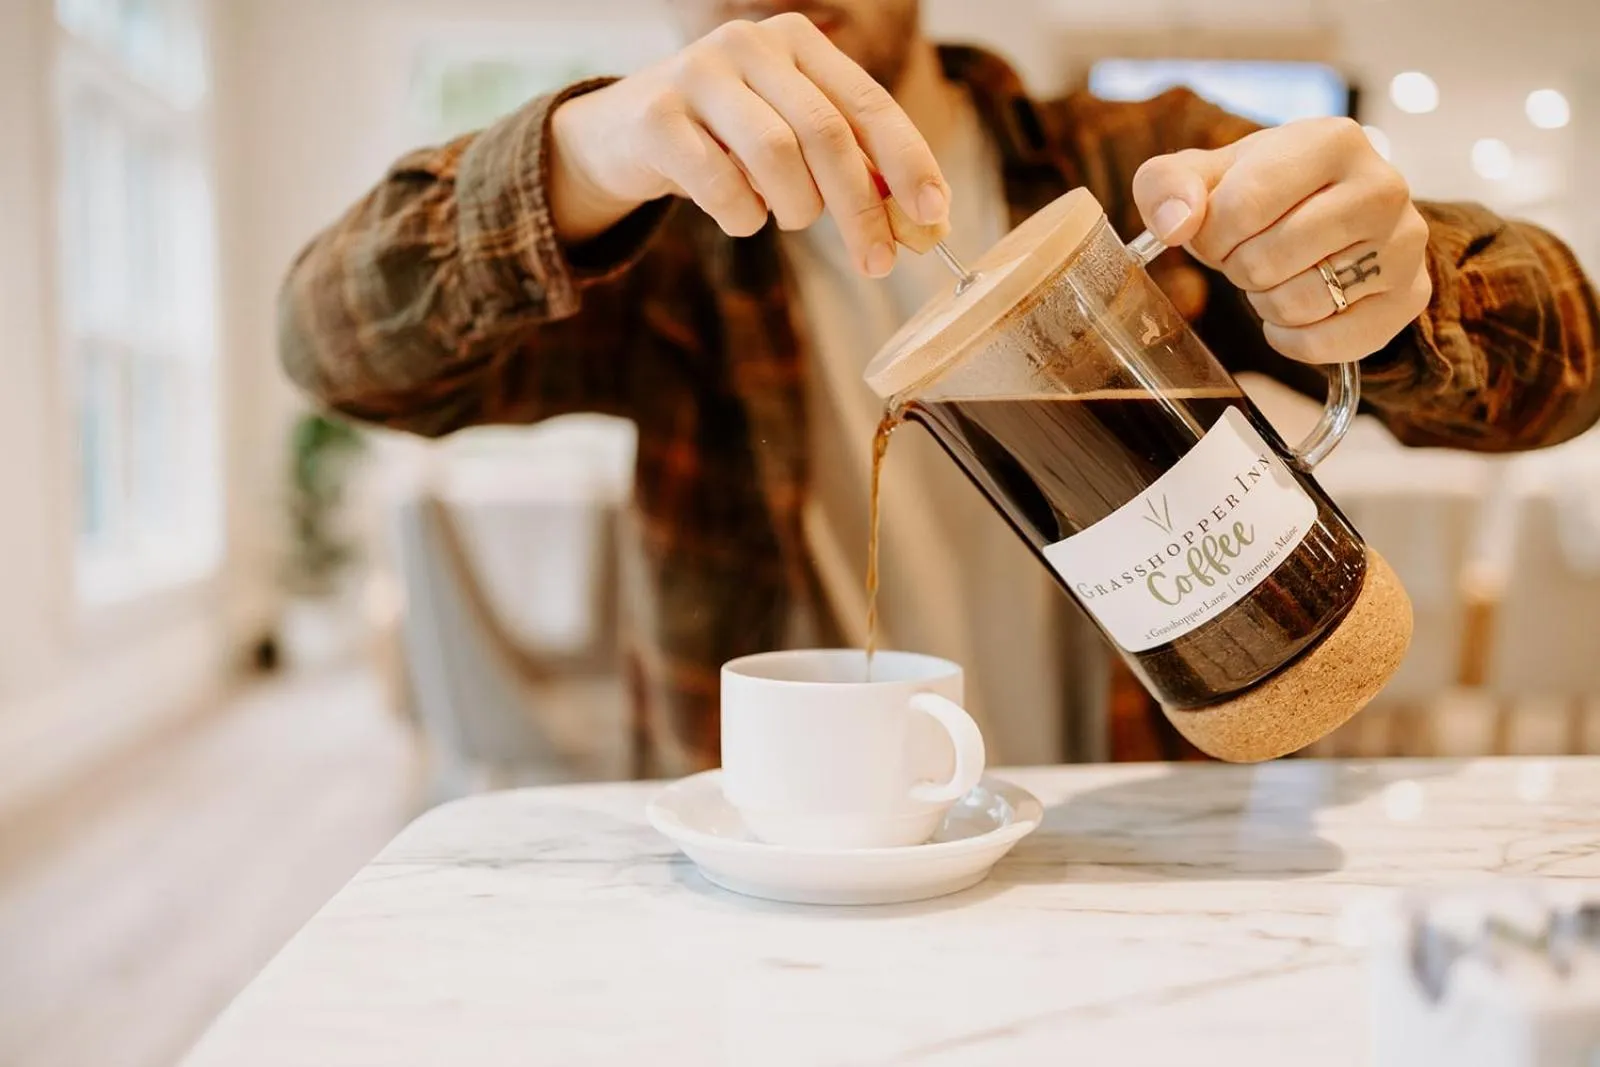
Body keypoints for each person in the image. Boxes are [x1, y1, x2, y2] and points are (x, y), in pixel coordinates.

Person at [280, 0, 1600, 773]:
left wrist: (1386, 279)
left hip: (1138, 836)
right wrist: (582, 151)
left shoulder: (1130, 164)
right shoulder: (657, 248)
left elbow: (1568, 361)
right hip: (805, 862)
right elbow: (332, 348)